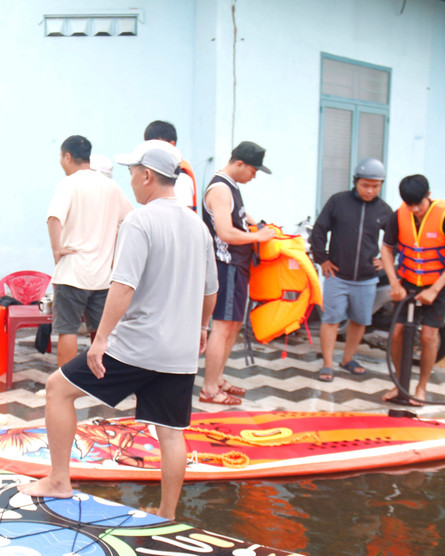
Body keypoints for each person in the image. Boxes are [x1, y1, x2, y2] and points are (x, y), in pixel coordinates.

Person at [21, 140, 218, 520]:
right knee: (171, 432)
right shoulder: (199, 227)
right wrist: (202, 327)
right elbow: (211, 291)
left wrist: (100, 339)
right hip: (179, 351)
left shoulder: (140, 221)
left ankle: (59, 480)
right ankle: (167, 513)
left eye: (132, 174)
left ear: (147, 176)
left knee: (57, 390)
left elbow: (123, 286)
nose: (130, 181)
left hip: (136, 347)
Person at [198, 141, 277, 405]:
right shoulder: (220, 188)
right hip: (226, 265)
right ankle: (209, 388)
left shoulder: (231, 187)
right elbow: (225, 232)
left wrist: (260, 226)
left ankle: (218, 378)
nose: (253, 177)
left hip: (237, 266)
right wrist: (260, 236)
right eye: (253, 171)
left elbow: (240, 218)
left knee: (233, 326)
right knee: (221, 327)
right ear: (239, 163)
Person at [47, 135, 133, 367]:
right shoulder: (111, 186)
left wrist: (57, 249)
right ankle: (99, 382)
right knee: (101, 333)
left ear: (67, 157)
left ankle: (66, 383)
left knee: (68, 330)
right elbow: (130, 221)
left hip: (73, 272)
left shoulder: (69, 183)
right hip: (103, 276)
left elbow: (54, 218)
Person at [380, 174, 445, 405]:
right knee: (396, 333)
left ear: (428, 195)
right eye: (410, 205)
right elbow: (386, 250)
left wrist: (435, 290)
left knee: (428, 336)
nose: (415, 209)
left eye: (419, 203)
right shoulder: (399, 216)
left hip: (439, 283)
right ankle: (399, 383)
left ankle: (421, 387)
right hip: (408, 281)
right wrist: (395, 284)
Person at [310, 158, 394, 381]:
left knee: (360, 320)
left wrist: (387, 261)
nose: (370, 190)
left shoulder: (384, 210)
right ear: (355, 182)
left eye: (376, 186)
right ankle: (328, 363)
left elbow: (397, 239)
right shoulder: (338, 202)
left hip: (367, 278)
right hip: (337, 275)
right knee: (331, 319)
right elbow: (319, 231)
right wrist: (323, 259)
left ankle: (348, 358)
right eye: (365, 185)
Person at [144, 120, 197, 210]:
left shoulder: (181, 176)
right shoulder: (156, 172)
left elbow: (184, 217)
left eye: (156, 145)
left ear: (171, 144)